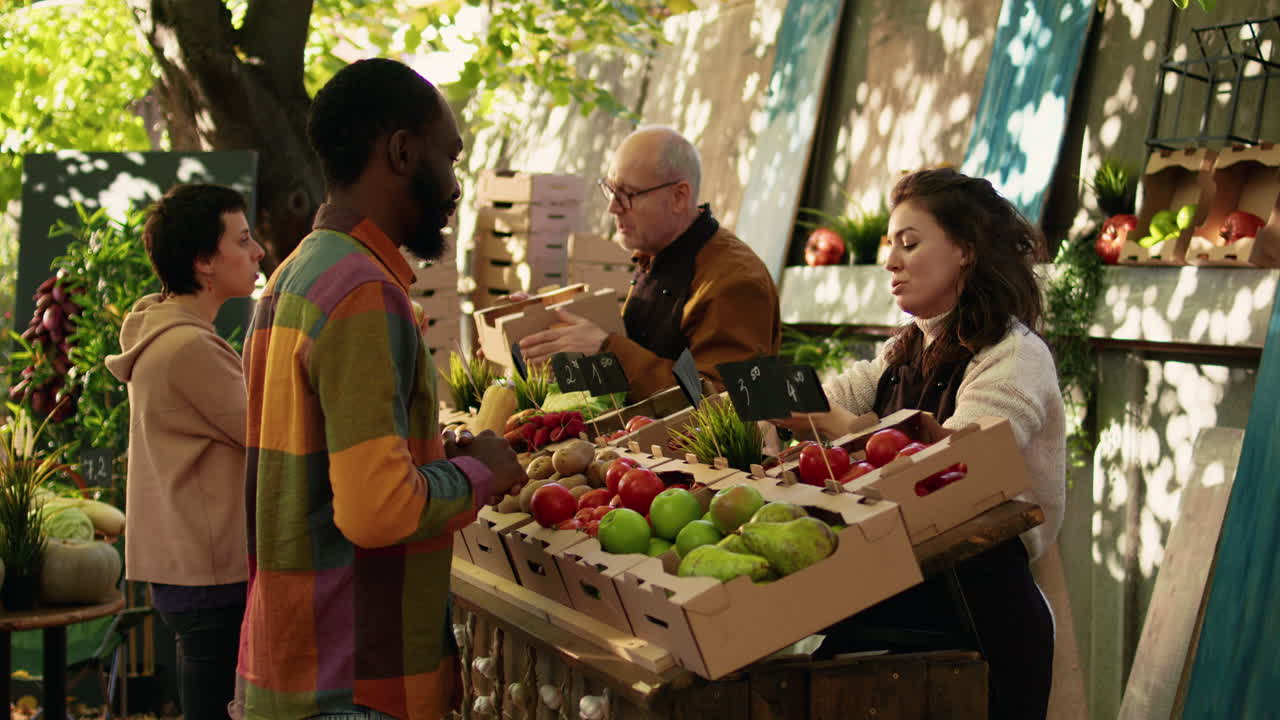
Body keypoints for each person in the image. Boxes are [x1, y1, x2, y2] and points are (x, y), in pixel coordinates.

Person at [234, 59, 523, 720]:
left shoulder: (296, 274)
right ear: (401, 152)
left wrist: (433, 454)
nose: (455, 185)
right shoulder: (364, 290)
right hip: (354, 685)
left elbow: (329, 472)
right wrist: (481, 469)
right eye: (450, 157)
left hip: (292, 669)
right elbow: (377, 511)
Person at [776, 168, 1065, 720]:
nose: (890, 261)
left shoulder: (1014, 357)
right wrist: (763, 404)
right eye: (890, 245)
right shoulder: (905, 351)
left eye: (909, 244)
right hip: (900, 602)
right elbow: (832, 397)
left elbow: (960, 469)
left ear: (966, 251)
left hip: (980, 627)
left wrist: (836, 425)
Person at [105, 183, 264, 720]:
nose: (258, 251)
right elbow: (269, 435)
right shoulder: (189, 347)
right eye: (242, 240)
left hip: (191, 569)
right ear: (203, 261)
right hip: (210, 572)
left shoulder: (168, 333)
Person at [518, 125, 781, 401]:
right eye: (611, 190)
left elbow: (718, 400)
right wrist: (551, 322)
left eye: (627, 195)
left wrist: (606, 351)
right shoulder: (656, 253)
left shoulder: (735, 281)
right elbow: (641, 354)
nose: (613, 208)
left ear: (679, 196)